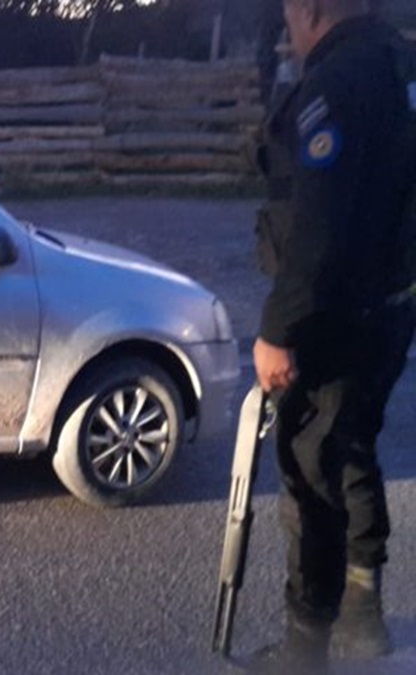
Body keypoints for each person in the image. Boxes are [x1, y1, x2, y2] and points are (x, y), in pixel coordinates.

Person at [252, 0, 416, 670]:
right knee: (352, 444)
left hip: (334, 317)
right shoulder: (399, 66)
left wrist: (277, 331)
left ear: (310, 9)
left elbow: (316, 227)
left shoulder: (336, 84)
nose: (287, 26)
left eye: (290, 11)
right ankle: (362, 610)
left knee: (310, 471)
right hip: (391, 306)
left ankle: (305, 647)